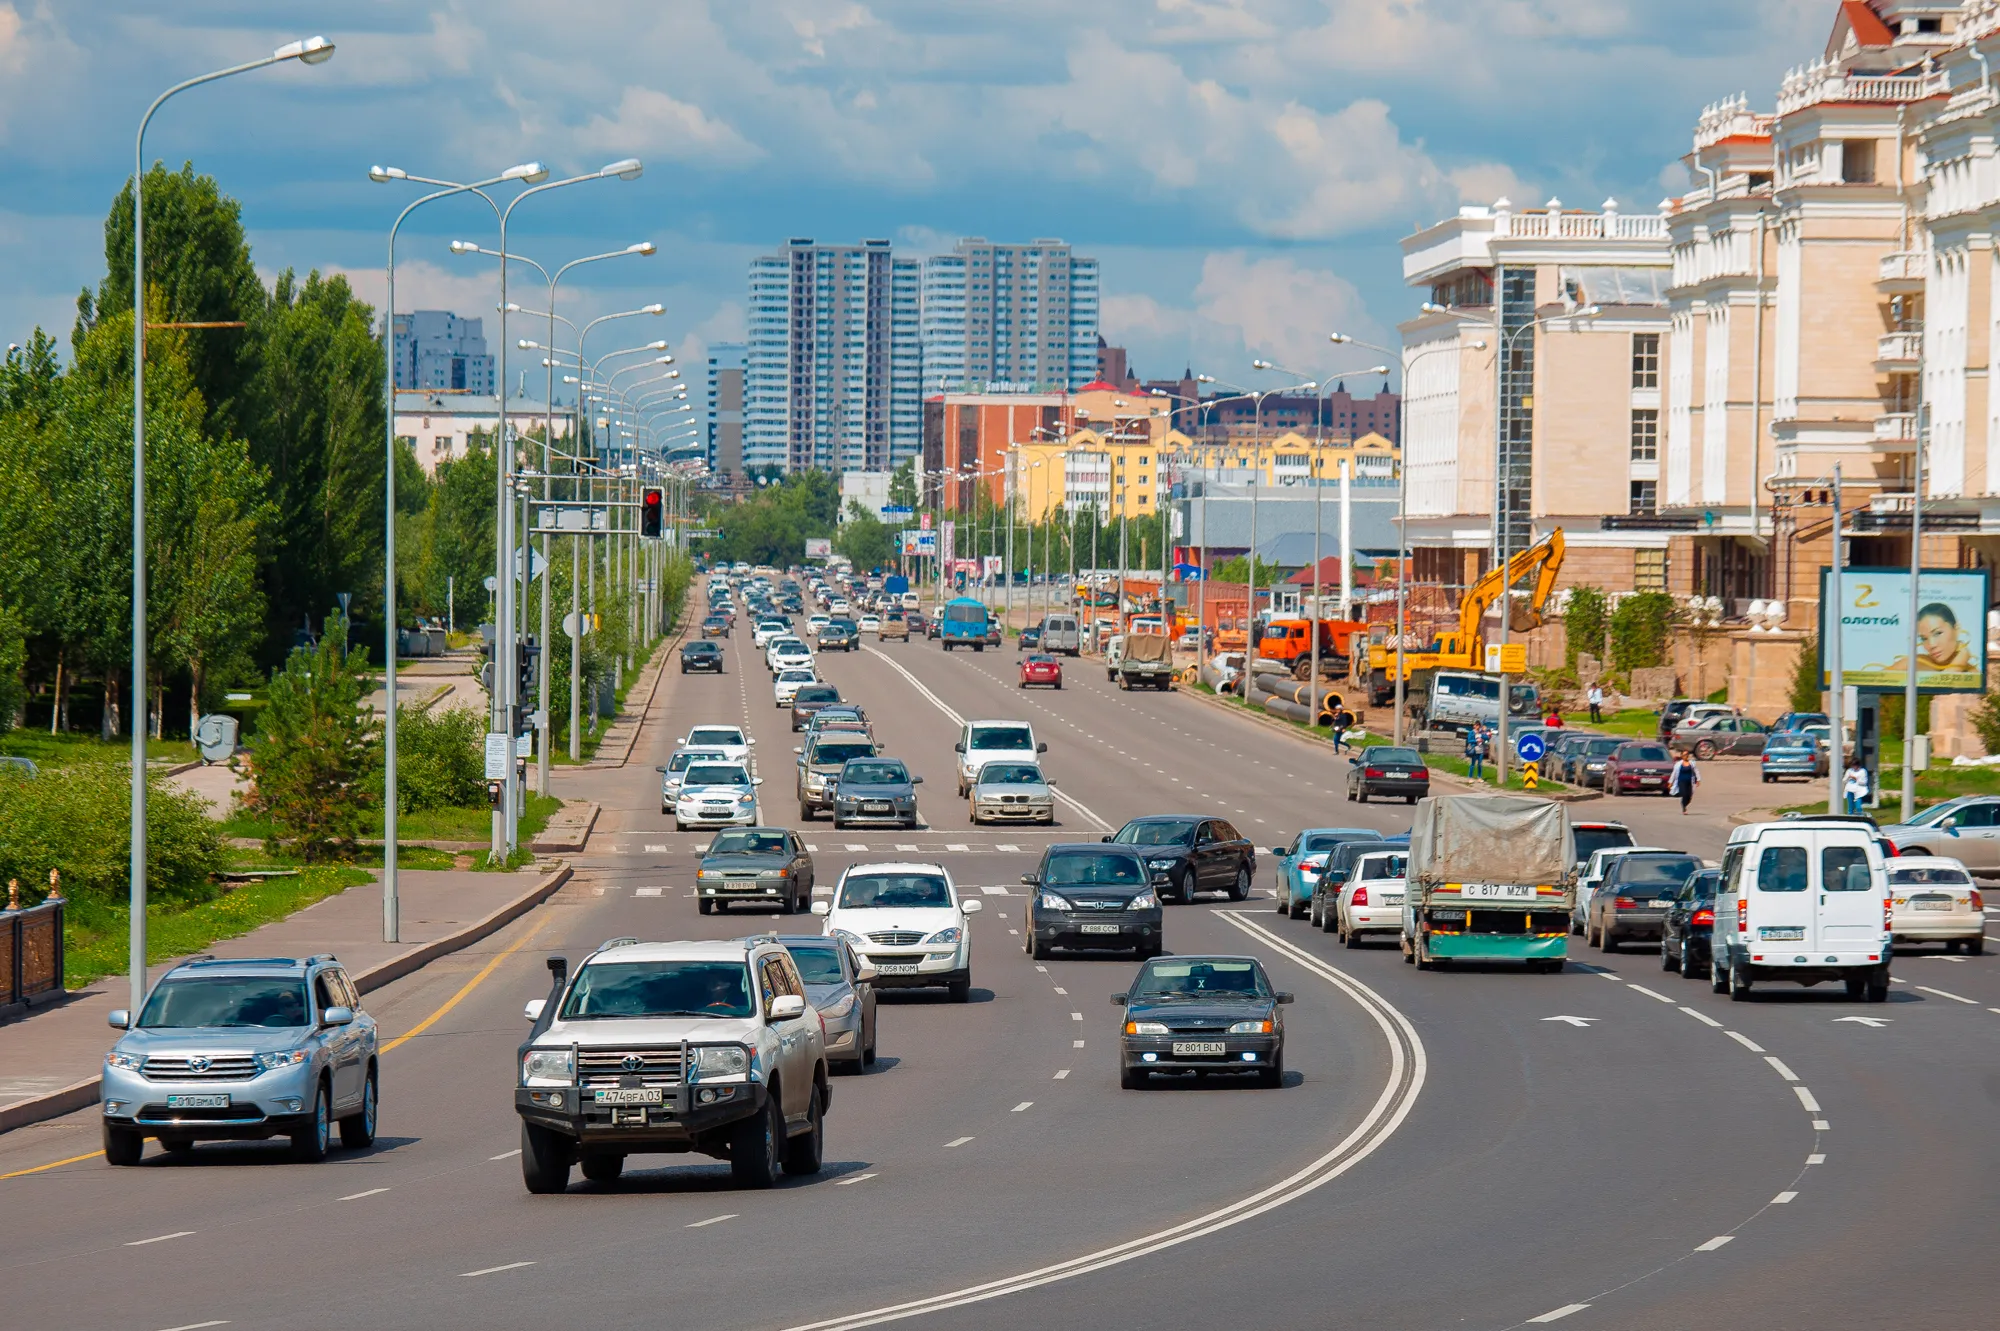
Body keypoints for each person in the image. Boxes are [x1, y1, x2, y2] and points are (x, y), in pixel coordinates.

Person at [1670, 750, 1700, 815]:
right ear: (1681, 756)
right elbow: (1674, 773)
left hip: (1689, 782)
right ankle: (1684, 808)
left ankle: (1685, 804)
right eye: (1684, 755)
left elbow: (1696, 771)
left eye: (1687, 754)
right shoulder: (1678, 764)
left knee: (1689, 796)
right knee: (1684, 794)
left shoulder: (1692, 763)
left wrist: (1698, 780)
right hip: (1681, 781)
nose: (1685, 756)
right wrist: (1670, 782)